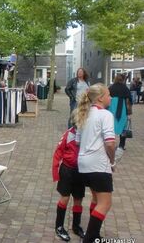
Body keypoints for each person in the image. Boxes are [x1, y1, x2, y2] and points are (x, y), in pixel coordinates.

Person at [75, 83, 116, 243]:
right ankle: (90, 238)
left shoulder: (84, 113)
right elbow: (110, 143)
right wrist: (112, 161)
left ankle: (95, 235)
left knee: (96, 199)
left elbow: (78, 141)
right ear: (100, 98)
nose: (111, 97)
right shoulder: (105, 115)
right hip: (98, 164)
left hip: (83, 164)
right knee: (105, 203)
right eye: (108, 94)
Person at [52, 111, 85, 241]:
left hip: (80, 171)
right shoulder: (68, 134)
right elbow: (57, 153)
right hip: (67, 171)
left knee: (78, 199)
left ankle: (76, 226)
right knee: (64, 198)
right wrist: (55, 173)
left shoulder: (87, 135)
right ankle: (59, 226)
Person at [108, 74, 132, 154]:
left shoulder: (111, 87)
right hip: (122, 110)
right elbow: (130, 100)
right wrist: (129, 112)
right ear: (122, 79)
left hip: (112, 110)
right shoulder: (125, 88)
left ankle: (111, 143)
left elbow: (107, 97)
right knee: (123, 127)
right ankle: (121, 145)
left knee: (111, 126)